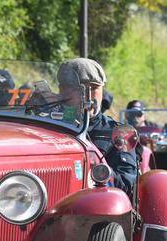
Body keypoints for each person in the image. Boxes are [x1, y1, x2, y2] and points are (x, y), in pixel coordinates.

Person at [57, 58, 137, 195]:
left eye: (94, 88)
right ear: (62, 91)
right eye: (78, 89)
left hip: (98, 206)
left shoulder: (120, 133)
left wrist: (102, 172)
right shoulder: (46, 127)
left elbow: (126, 183)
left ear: (102, 90)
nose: (88, 96)